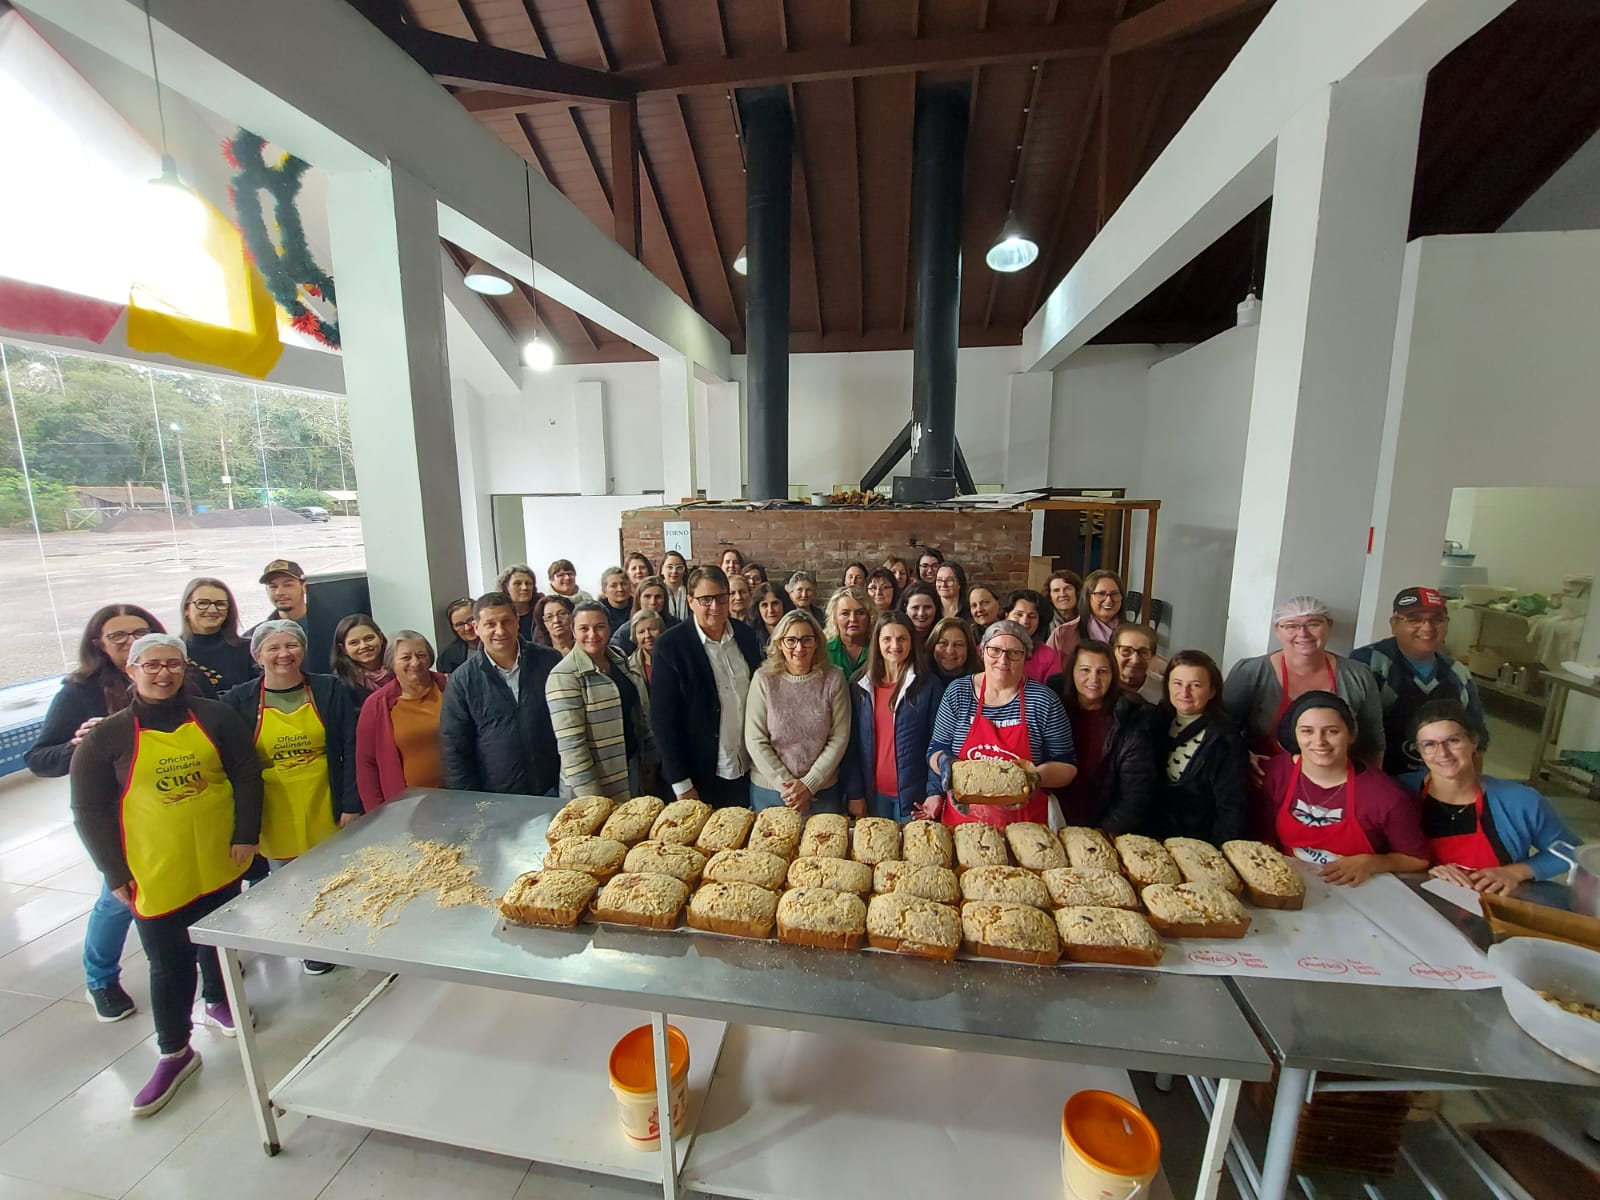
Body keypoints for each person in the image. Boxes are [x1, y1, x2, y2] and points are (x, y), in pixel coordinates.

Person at [69, 633, 260, 1117]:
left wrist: (246, 834)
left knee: (218, 941)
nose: (164, 673)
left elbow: (245, 774)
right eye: (152, 665)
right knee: (168, 962)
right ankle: (175, 1050)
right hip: (155, 869)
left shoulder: (214, 716)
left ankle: (220, 1001)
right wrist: (113, 870)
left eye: (173, 664)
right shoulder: (107, 736)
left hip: (219, 859)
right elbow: (88, 810)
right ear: (132, 671)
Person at [27, 603, 164, 1023]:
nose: (129, 642)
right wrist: (78, 746)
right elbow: (40, 758)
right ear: (98, 644)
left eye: (138, 632)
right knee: (120, 894)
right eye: (117, 636)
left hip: (170, 804)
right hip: (114, 813)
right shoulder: (79, 691)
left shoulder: (172, 675)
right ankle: (101, 979)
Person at [223, 621, 359, 977]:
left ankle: (344, 932)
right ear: (257, 655)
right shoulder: (240, 700)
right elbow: (235, 764)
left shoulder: (329, 689)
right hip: (274, 805)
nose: (284, 654)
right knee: (289, 879)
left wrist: (350, 802)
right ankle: (308, 942)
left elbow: (350, 745)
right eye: (273, 647)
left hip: (323, 796)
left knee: (335, 873)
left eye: (291, 646)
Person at [1402, 700, 1575, 895]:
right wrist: (1423, 873)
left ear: (1473, 741)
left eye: (1453, 741)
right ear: (1418, 751)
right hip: (1419, 902)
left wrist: (1516, 872)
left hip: (1496, 907)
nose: (1443, 753)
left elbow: (1572, 851)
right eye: (1429, 745)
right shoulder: (1399, 793)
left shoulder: (1521, 801)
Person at [1261, 691, 1428, 886]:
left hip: (1358, 891)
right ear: (1294, 735)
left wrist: (1372, 862)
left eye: (1332, 731)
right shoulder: (1273, 774)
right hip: (1288, 882)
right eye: (1307, 731)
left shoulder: (1386, 796)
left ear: (1351, 735)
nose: (1319, 741)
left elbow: (1417, 859)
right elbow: (1262, 839)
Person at [923, 620, 1077, 829]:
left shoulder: (1043, 700)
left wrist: (1034, 778)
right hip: (964, 825)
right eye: (994, 650)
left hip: (1026, 827)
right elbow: (936, 748)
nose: (1003, 660)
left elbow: (1067, 766)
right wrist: (944, 763)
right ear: (982, 652)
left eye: (1014, 653)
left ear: (1026, 657)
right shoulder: (958, 692)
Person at [1224, 595, 1384, 775]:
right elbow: (1223, 728)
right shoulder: (1250, 672)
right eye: (1291, 625)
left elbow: (1373, 742)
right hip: (1263, 778)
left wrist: (1368, 784)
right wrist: (1244, 757)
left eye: (1314, 624)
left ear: (1328, 626)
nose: (1303, 633)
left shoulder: (1358, 674)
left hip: (1336, 780)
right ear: (1277, 630)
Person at [650, 565, 764, 809]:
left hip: (749, 767)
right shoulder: (671, 646)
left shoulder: (745, 636)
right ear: (690, 601)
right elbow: (663, 722)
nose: (715, 606)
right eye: (705, 599)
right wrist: (682, 785)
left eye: (721, 597)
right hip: (700, 775)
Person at [1352, 586, 1488, 776]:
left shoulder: (1457, 674)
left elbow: (1478, 739)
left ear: (1447, 624)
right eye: (1414, 619)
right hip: (1381, 781)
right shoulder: (1367, 663)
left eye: (1437, 620)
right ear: (1394, 623)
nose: (1427, 628)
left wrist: (1470, 789)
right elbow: (1348, 732)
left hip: (1440, 784)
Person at [439, 591, 562, 796]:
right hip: (498, 795)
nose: (500, 630)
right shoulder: (462, 680)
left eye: (506, 621)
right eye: (490, 624)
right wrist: (470, 801)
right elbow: (455, 749)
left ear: (517, 622)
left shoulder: (549, 661)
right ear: (476, 628)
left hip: (554, 788)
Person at [744, 610, 851, 815]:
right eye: (791, 640)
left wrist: (809, 784)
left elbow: (839, 737)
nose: (799, 647)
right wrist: (789, 787)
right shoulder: (764, 679)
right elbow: (755, 739)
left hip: (821, 791)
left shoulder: (834, 678)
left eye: (806, 640)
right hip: (771, 791)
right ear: (779, 643)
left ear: (817, 642)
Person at [844, 613, 945, 822]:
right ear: (877, 643)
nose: (894, 645)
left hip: (915, 797)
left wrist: (935, 791)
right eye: (887, 639)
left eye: (902, 639)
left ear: (911, 643)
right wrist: (855, 793)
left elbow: (939, 743)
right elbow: (851, 743)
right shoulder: (859, 684)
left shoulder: (929, 685)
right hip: (873, 796)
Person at [1148, 650, 1250, 844]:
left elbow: (1231, 808)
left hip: (1199, 844)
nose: (1184, 693)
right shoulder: (1153, 721)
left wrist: (1218, 853)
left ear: (1212, 691)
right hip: (1151, 840)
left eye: (1195, 685)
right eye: (1177, 683)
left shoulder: (1226, 739)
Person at [547, 601, 645, 800]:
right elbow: (572, 747)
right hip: (593, 784)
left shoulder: (618, 658)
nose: (592, 635)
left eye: (599, 627)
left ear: (609, 628)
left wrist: (649, 757)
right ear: (573, 631)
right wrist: (592, 800)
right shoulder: (564, 675)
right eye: (584, 628)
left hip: (629, 767)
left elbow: (635, 712)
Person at [1055, 641, 1156, 834]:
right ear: (1071, 673)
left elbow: (1135, 796)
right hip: (1054, 821)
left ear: (1113, 676)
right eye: (1085, 670)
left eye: (1102, 671)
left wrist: (1103, 833)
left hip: (1105, 827)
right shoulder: (1054, 710)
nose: (1094, 678)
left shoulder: (1132, 719)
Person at [355, 631, 447, 811]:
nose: (415, 662)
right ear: (391, 663)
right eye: (406, 657)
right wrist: (376, 814)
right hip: (407, 807)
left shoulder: (452, 686)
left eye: (421, 655)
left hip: (461, 795)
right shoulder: (376, 705)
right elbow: (366, 764)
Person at [253, 558, 335, 672]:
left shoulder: (334, 626)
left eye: (288, 585)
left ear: (304, 587)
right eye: (273, 587)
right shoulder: (257, 636)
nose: (279, 592)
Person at [179, 577, 255, 694]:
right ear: (186, 609)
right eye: (203, 603)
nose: (212, 609)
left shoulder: (249, 650)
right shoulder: (173, 651)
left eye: (220, 604)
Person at [623, 611, 663, 795]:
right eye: (641, 631)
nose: (647, 635)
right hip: (646, 746)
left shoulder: (674, 659)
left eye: (652, 629)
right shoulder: (628, 667)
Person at [1004, 589, 1064, 684]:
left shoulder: (1048, 656)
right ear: (1006, 616)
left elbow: (1053, 694)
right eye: (1019, 614)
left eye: (1032, 616)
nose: (1025, 621)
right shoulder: (987, 649)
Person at [329, 614, 391, 703]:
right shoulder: (341, 683)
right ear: (343, 649)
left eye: (369, 638)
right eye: (354, 643)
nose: (363, 646)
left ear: (380, 638)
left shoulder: (401, 667)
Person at [614, 576, 680, 655]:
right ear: (639, 599)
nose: (653, 602)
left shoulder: (677, 627)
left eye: (658, 597)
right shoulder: (624, 634)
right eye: (647, 596)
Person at [824, 586, 873, 678]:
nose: (853, 619)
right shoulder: (823, 652)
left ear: (869, 616)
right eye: (845, 613)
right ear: (834, 618)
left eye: (860, 613)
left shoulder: (880, 649)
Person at [1112, 623, 1165, 704]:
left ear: (1153, 656)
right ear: (1112, 652)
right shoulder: (1100, 685)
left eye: (1143, 652)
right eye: (1126, 650)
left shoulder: (1165, 689)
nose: (1135, 660)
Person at [1078, 569, 1128, 645]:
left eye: (1114, 593)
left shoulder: (1135, 633)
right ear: (1087, 597)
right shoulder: (1066, 632)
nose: (1108, 600)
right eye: (1101, 594)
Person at [497, 565, 542, 643]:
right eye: (517, 583)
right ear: (505, 587)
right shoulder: (497, 615)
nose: (524, 588)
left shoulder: (543, 612)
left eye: (528, 583)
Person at [928, 616, 978, 683]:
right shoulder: (920, 680)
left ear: (968, 649)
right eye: (943, 643)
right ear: (933, 645)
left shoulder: (979, 682)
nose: (950, 651)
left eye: (958, 644)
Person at [1045, 570, 1083, 658]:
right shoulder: (1042, 623)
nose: (1062, 594)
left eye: (1068, 588)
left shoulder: (1088, 621)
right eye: (1056, 590)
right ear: (1050, 596)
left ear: (1077, 592)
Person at [436, 597, 479, 674]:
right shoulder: (447, 657)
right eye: (459, 624)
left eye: (471, 620)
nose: (467, 628)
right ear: (453, 628)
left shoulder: (503, 644)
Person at [750, 582, 792, 651]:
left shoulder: (795, 631)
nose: (770, 610)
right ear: (758, 609)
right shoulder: (751, 637)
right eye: (764, 605)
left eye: (775, 603)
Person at [900, 583, 940, 654]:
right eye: (915, 607)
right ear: (905, 608)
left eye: (927, 607)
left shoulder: (943, 634)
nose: (921, 613)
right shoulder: (896, 636)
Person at [597, 567, 634, 633]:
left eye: (623, 584)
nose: (620, 589)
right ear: (604, 591)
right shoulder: (598, 611)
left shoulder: (638, 605)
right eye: (614, 586)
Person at [661, 550, 689, 621]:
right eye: (670, 567)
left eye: (679, 567)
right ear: (662, 570)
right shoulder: (657, 591)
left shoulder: (691, 591)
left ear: (684, 570)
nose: (674, 571)